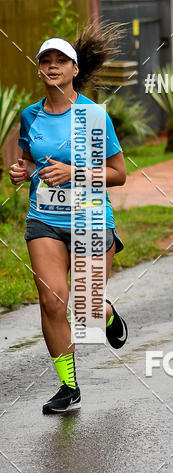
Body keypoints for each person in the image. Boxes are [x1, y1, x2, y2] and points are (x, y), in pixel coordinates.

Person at [9, 25, 128, 415]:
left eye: (61, 60)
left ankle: (105, 312)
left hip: (91, 217)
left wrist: (75, 172)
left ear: (75, 69)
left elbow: (117, 173)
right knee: (52, 300)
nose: (53, 66)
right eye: (46, 61)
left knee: (87, 308)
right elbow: (30, 162)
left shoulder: (93, 115)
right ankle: (68, 385)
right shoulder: (30, 116)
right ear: (39, 70)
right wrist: (20, 170)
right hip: (44, 217)